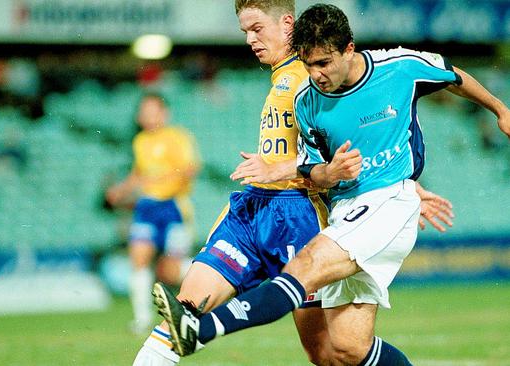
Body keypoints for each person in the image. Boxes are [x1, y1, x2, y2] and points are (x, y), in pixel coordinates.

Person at [153, 3, 510, 365]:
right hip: (344, 209)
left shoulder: (398, 67)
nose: (317, 75)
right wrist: (331, 171)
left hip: (386, 202)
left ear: (349, 49)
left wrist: (501, 110)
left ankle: (200, 331)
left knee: (303, 267)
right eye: (310, 65)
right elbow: (313, 170)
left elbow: (454, 76)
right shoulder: (308, 101)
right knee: (344, 350)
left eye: (324, 63)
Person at [106, 93, 200, 335]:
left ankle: (214, 276)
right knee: (138, 258)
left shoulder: (178, 137)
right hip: (147, 207)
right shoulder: (140, 141)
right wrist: (121, 190)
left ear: (164, 113)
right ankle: (141, 318)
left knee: (169, 269)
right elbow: (139, 173)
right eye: (144, 111)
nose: (147, 115)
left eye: (152, 110)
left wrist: (162, 179)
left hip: (173, 207)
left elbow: (190, 169)